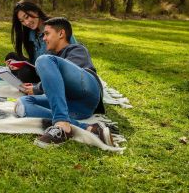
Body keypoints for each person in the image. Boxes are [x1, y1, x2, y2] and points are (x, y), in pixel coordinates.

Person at [14, 17, 114, 147]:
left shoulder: (77, 49)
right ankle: (89, 128)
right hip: (73, 108)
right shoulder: (53, 58)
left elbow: (68, 78)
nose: (44, 38)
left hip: (87, 92)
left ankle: (61, 123)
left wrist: (38, 88)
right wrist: (35, 87)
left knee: (43, 60)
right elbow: (54, 83)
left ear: (61, 33)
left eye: (47, 34)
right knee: (22, 104)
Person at [6, 1, 77, 83]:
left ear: (36, 11)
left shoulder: (55, 27)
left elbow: (74, 53)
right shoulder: (31, 33)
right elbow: (34, 62)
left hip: (54, 73)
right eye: (22, 21)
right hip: (38, 69)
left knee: (24, 73)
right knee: (11, 57)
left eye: (27, 17)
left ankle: (28, 79)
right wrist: (20, 65)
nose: (26, 23)